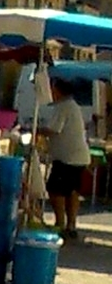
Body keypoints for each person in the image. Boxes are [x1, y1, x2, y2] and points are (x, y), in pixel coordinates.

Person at [39, 77, 89, 241]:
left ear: (57, 90)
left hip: (67, 157)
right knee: (72, 191)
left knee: (56, 190)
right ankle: (71, 225)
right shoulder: (72, 106)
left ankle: (60, 223)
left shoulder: (63, 107)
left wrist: (36, 130)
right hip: (78, 156)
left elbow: (54, 129)